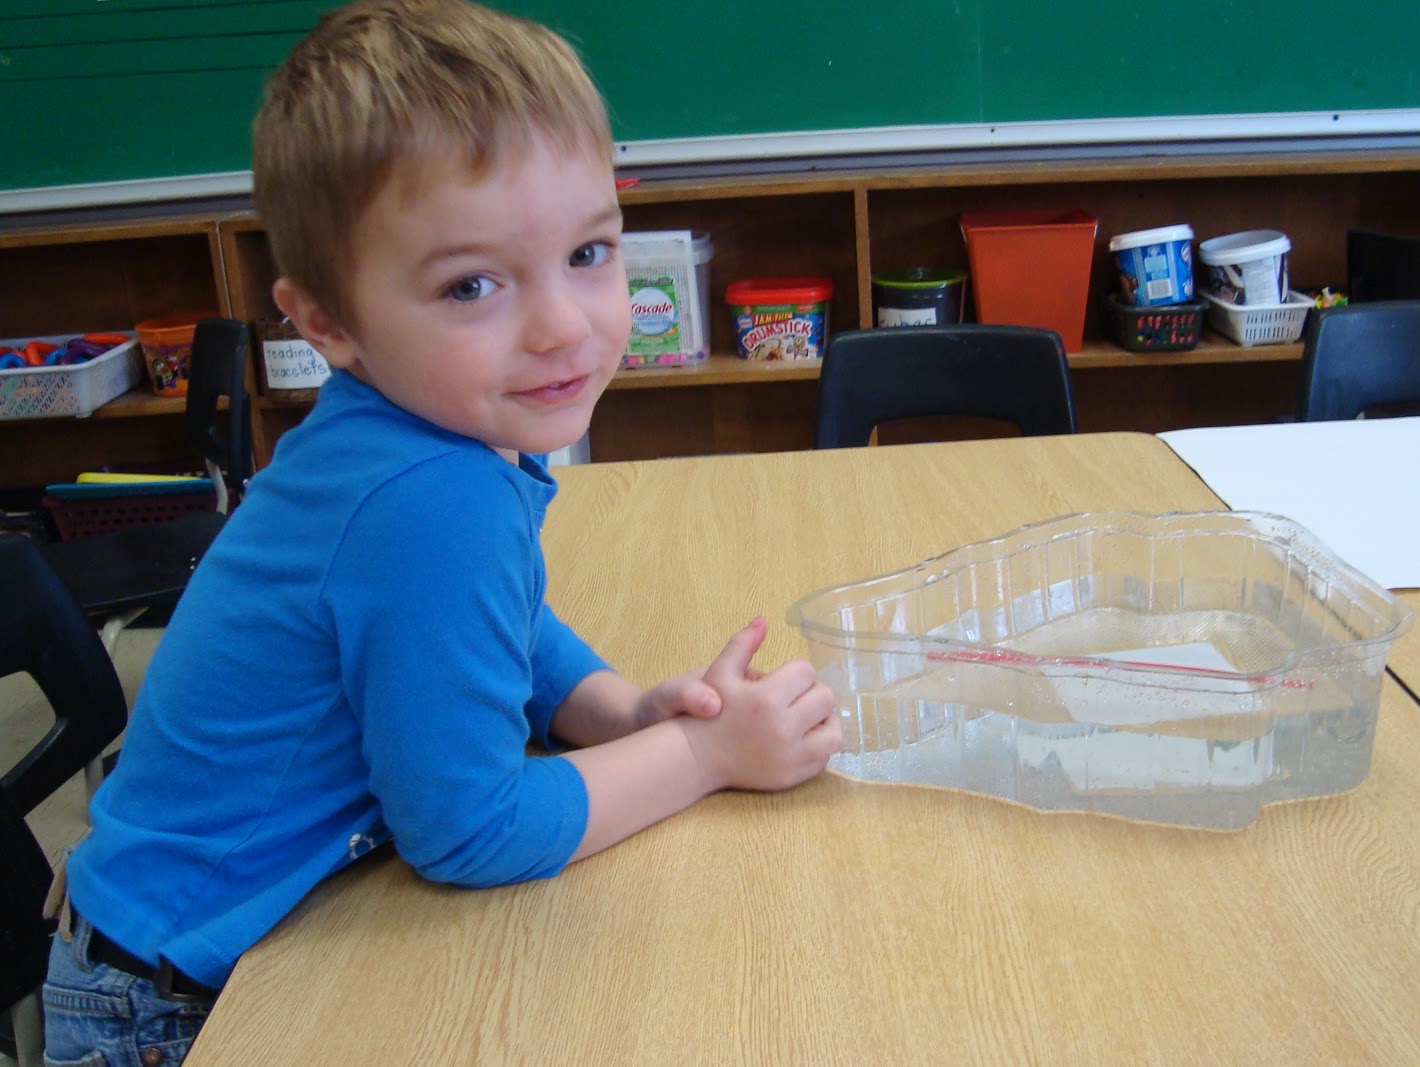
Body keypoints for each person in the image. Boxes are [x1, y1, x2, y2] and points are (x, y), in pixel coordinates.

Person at [42, 2, 842, 1062]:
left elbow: (503, 616)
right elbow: (471, 831)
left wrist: (617, 709)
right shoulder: (429, 494)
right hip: (175, 1004)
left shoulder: (418, 428)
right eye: (472, 284)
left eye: (590, 251)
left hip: (160, 937)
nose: (563, 322)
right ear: (326, 322)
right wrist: (700, 751)